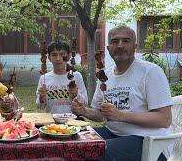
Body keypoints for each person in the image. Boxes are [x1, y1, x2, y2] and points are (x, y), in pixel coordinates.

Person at [71, 25, 172, 161]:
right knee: (71, 142)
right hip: (113, 133)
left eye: (126, 41)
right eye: (114, 41)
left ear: (135, 46)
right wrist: (84, 111)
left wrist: (120, 115)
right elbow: (100, 115)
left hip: (149, 141)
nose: (120, 45)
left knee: (94, 152)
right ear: (108, 48)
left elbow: (164, 119)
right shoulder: (105, 75)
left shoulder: (150, 72)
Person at [36, 41, 88, 114]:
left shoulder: (76, 76)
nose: (58, 58)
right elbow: (40, 106)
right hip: (52, 123)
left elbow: (85, 102)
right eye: (54, 55)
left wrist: (76, 93)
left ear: (69, 56)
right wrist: (41, 98)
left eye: (62, 54)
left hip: (73, 122)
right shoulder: (44, 78)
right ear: (49, 58)